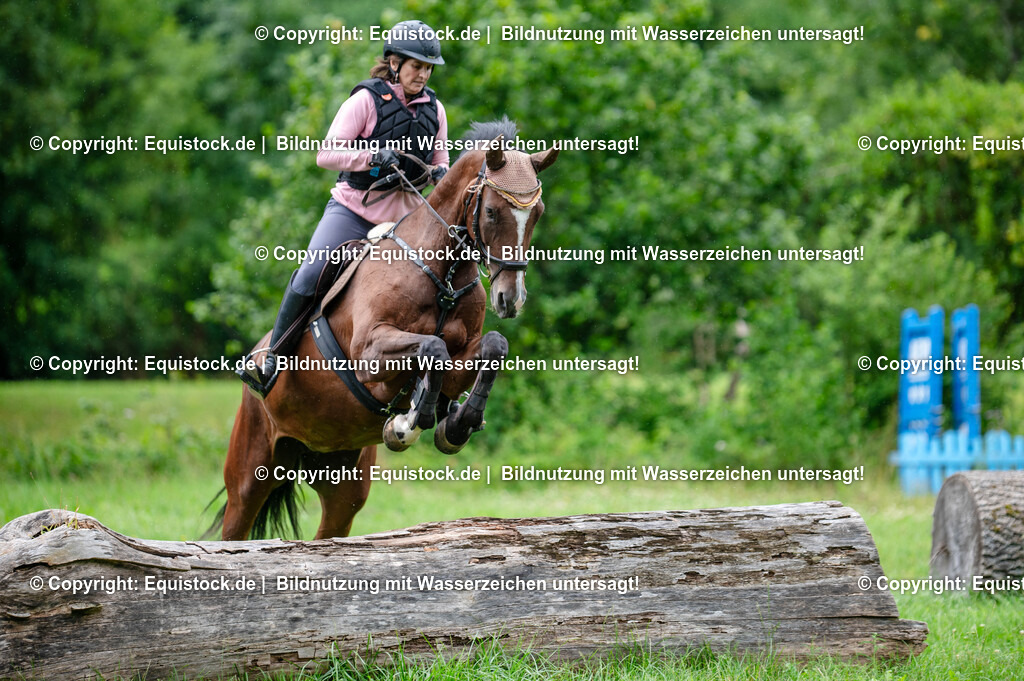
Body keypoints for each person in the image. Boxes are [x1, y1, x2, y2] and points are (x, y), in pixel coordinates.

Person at [240, 19, 451, 398]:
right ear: (394, 63)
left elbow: (442, 162)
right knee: (312, 272)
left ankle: (442, 381)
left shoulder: (436, 110)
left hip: (405, 220)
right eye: (417, 66)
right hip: (354, 212)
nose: (423, 74)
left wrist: (440, 174)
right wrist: (371, 156)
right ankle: (273, 357)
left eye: (428, 68)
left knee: (442, 281)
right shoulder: (365, 101)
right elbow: (326, 154)